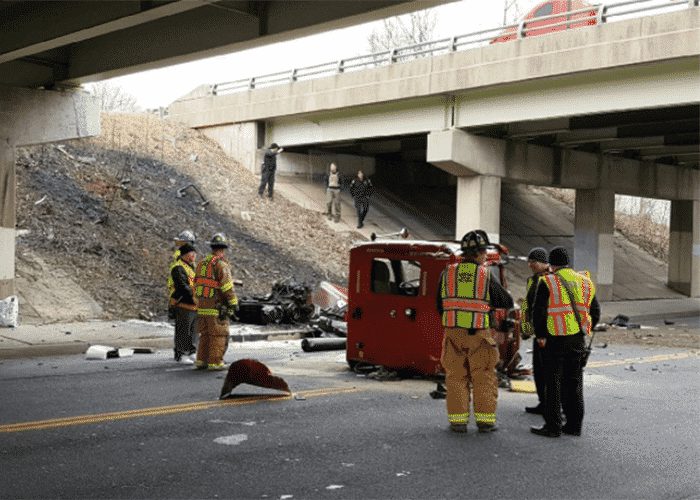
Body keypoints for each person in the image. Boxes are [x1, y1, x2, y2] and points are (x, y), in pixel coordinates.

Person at [437, 230, 514, 433]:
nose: (486, 256)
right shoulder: (484, 274)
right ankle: (485, 422)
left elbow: (439, 304)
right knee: (483, 377)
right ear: (480, 253)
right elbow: (505, 301)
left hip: (453, 334)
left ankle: (458, 422)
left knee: (455, 378)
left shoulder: (447, 273)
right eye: (485, 252)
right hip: (479, 335)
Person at [530, 246, 600, 438]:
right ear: (568, 263)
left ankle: (553, 426)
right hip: (577, 340)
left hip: (554, 340)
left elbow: (539, 312)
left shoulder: (548, 282)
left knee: (552, 383)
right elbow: (595, 312)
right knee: (574, 383)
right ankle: (574, 425)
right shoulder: (585, 282)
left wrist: (541, 336)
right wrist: (585, 328)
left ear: (551, 265)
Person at [193, 233, 239, 371]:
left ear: (212, 247)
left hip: (202, 307)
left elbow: (196, 284)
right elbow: (226, 287)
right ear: (223, 249)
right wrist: (233, 303)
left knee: (205, 335)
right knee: (218, 334)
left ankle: (201, 360)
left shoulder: (201, 263)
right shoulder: (221, 265)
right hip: (216, 307)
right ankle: (215, 362)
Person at [521, 247, 550, 414]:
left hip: (547, 333)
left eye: (534, 262)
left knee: (548, 371)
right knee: (538, 371)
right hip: (537, 331)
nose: (530, 265)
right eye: (529, 262)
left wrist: (543, 333)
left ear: (544, 263)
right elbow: (528, 306)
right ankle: (543, 402)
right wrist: (526, 328)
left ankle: (551, 404)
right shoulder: (531, 280)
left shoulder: (550, 279)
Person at [169, 243, 198, 364]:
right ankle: (181, 354)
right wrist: (193, 296)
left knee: (193, 331)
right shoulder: (178, 267)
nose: (194, 256)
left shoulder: (191, 267)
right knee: (183, 330)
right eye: (192, 253)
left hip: (194, 304)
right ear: (186, 254)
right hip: (183, 303)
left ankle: (191, 352)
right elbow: (182, 287)